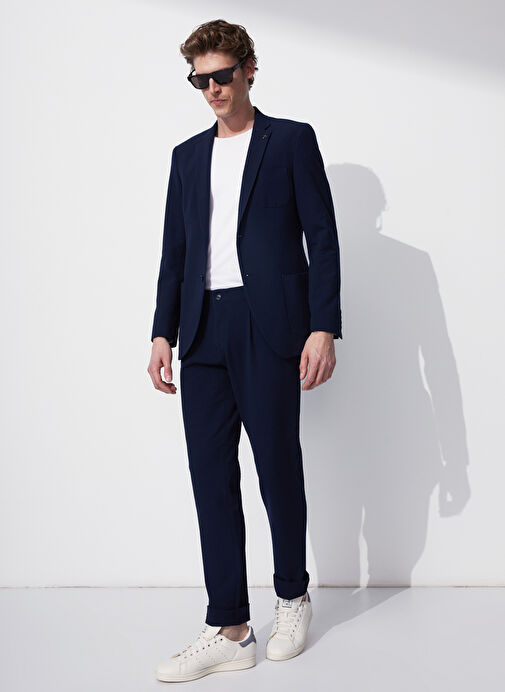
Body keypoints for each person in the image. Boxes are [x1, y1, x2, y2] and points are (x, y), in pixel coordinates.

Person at [147, 18, 342, 683]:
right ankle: (230, 628)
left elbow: (321, 235)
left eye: (222, 76)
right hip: (202, 328)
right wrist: (162, 332)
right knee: (210, 478)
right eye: (199, 80)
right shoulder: (186, 157)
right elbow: (174, 253)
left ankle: (292, 597)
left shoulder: (289, 141)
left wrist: (323, 326)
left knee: (277, 467)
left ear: (249, 69)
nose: (212, 90)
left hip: (269, 326)